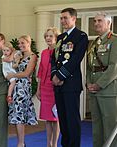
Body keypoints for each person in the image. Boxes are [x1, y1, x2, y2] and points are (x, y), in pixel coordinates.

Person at [51, 8, 88, 147]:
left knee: (72, 120)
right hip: (58, 84)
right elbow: (54, 58)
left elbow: (76, 59)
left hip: (71, 84)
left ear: (74, 19)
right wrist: (54, 75)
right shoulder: (60, 38)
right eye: (61, 18)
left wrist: (60, 75)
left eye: (65, 18)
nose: (62, 21)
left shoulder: (81, 36)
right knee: (63, 119)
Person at [86, 12, 117, 147]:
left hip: (108, 91)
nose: (96, 24)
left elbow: (114, 67)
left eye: (100, 21)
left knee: (110, 128)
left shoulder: (114, 40)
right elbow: (89, 67)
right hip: (94, 90)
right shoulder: (94, 43)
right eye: (94, 21)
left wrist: (98, 84)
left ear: (109, 23)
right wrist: (88, 83)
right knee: (97, 128)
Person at [7, 35, 38, 147]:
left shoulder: (33, 56)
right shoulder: (19, 56)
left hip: (23, 88)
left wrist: (13, 75)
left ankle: (20, 143)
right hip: (15, 87)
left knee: (19, 115)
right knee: (16, 115)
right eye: (19, 43)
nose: (20, 45)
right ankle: (21, 142)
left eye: (22, 43)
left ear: (28, 43)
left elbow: (27, 73)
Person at [36, 27, 60, 147]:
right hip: (44, 87)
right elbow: (40, 71)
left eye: (51, 36)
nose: (48, 38)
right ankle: (48, 143)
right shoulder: (44, 52)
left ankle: (54, 144)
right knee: (47, 118)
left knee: (55, 118)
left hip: (55, 87)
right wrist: (38, 89)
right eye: (46, 36)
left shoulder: (59, 51)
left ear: (56, 38)